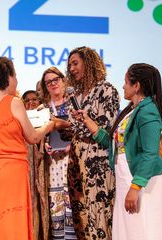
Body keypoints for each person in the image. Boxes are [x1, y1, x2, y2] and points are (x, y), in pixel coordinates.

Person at [74, 63, 162, 239]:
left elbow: (150, 153)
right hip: (128, 178)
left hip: (145, 181)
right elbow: (115, 143)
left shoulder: (148, 110)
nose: (123, 86)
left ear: (137, 85)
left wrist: (135, 187)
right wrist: (88, 122)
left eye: (126, 82)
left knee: (142, 231)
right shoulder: (132, 110)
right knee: (127, 231)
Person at [0, 56, 58, 239]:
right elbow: (32, 137)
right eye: (15, 75)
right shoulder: (13, 102)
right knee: (9, 224)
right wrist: (50, 125)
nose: (16, 80)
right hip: (8, 173)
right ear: (7, 77)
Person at [59, 46, 119, 239]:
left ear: (89, 63)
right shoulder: (74, 95)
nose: (72, 68)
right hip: (76, 158)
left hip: (97, 159)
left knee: (98, 211)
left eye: (75, 63)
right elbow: (74, 129)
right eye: (70, 65)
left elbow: (106, 128)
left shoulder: (106, 90)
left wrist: (80, 124)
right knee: (80, 212)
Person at [40, 66, 76, 239]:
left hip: (73, 159)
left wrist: (73, 143)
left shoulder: (76, 103)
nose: (53, 84)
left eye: (56, 79)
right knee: (56, 204)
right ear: (45, 86)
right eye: (48, 82)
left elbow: (84, 128)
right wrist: (44, 145)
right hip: (53, 163)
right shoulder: (43, 109)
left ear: (63, 80)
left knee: (73, 202)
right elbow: (38, 135)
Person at [22, 90, 49, 240]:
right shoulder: (19, 120)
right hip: (26, 167)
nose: (30, 103)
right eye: (27, 101)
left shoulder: (45, 118)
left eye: (34, 100)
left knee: (43, 203)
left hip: (42, 166)